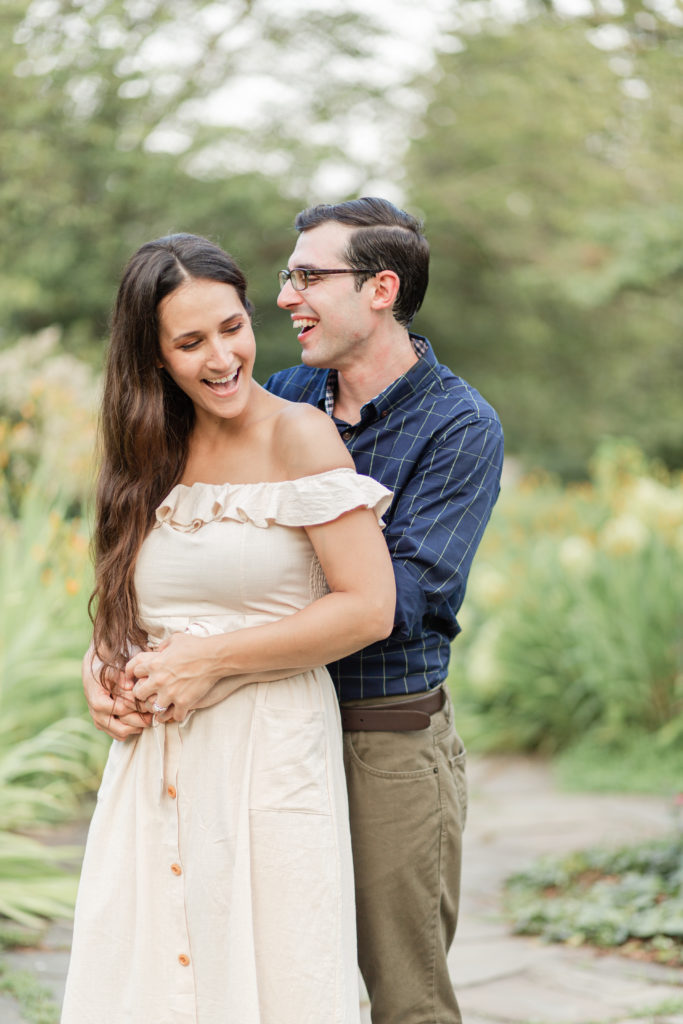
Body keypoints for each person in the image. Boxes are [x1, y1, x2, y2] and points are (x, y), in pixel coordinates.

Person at [84, 198, 504, 1024]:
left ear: (380, 289)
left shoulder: (457, 426)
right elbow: (185, 568)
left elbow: (395, 600)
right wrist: (118, 656)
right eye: (284, 276)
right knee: (241, 976)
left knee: (402, 997)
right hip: (238, 728)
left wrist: (209, 655)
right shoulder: (277, 392)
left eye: (310, 276)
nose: (287, 297)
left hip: (381, 731)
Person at [62, 232, 396, 1024]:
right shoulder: (145, 453)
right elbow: (135, 610)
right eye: (190, 342)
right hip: (155, 767)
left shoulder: (298, 436)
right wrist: (100, 667)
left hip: (267, 754)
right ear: (152, 359)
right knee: (152, 986)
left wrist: (210, 662)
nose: (222, 356)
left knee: (277, 978)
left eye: (232, 326)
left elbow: (367, 606)